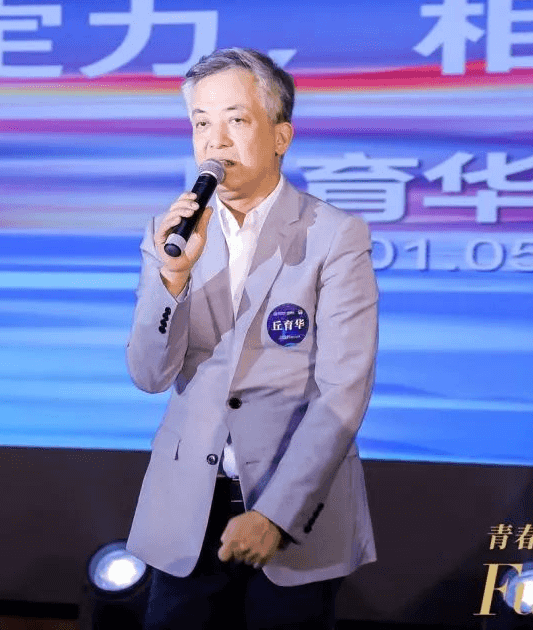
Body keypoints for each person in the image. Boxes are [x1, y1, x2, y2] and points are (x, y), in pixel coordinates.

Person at [124, 48, 379, 630]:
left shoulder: (334, 235)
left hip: (295, 507)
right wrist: (172, 279)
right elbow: (149, 375)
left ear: (280, 136)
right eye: (201, 123)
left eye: (235, 120)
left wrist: (275, 515)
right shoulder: (170, 234)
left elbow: (343, 390)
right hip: (188, 508)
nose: (215, 141)